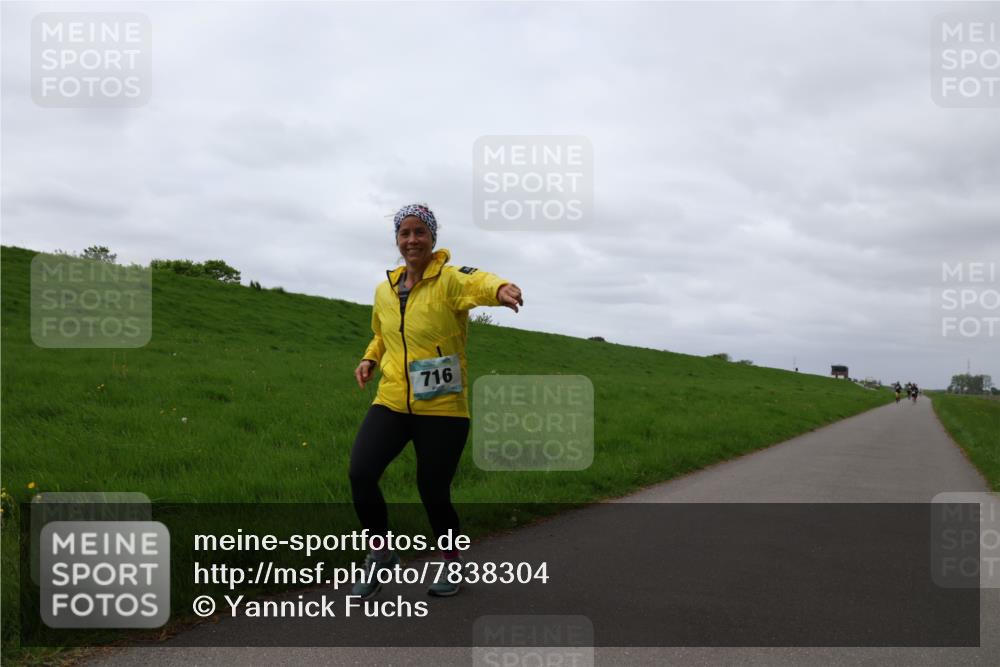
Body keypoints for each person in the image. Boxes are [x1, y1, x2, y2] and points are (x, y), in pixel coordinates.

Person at [349, 203, 523, 599]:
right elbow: (381, 332)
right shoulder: (385, 290)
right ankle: (380, 552)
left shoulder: (448, 280)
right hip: (392, 400)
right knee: (361, 472)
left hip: (443, 407)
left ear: (432, 238)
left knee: (432, 487)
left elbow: (477, 282)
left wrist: (500, 289)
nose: (412, 240)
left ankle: (450, 561)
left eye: (419, 232)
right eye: (404, 233)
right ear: (397, 240)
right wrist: (369, 357)